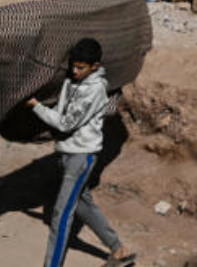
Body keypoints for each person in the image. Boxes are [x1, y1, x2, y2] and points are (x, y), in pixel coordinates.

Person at [27, 38, 135, 267]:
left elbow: (66, 123)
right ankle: (119, 250)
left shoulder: (95, 89)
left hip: (81, 157)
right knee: (83, 205)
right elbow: (60, 109)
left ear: (95, 66)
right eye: (73, 66)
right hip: (67, 153)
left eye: (81, 68)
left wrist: (37, 107)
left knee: (61, 215)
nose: (75, 71)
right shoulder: (71, 81)